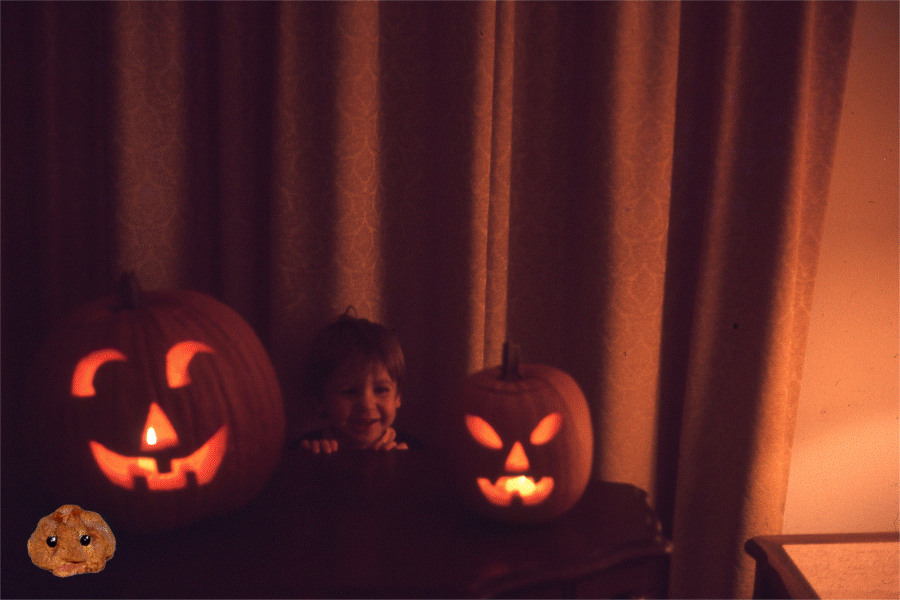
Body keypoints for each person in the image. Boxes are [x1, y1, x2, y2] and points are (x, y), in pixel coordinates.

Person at [294, 309, 418, 453]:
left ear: (398, 396)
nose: (366, 405)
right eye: (349, 391)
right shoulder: (304, 450)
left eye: (380, 390)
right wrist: (308, 463)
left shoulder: (413, 451)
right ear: (319, 399)